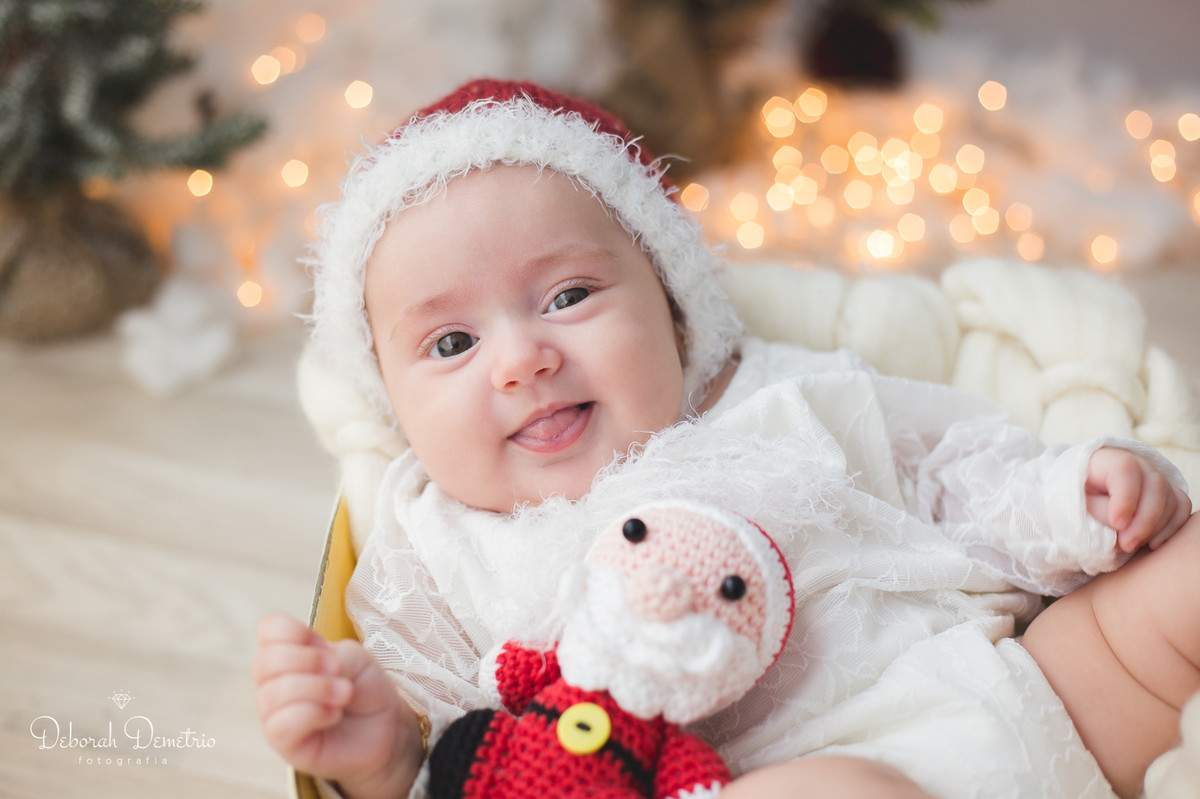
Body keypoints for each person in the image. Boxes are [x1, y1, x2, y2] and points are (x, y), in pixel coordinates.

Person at [252, 79, 1199, 799]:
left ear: (671, 307)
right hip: (785, 774)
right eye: (451, 343)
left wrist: (1073, 498)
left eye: (569, 296)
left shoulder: (781, 392)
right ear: (395, 404)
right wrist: (388, 758)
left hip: (1031, 695)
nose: (521, 361)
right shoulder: (438, 547)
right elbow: (492, 762)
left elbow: (947, 473)